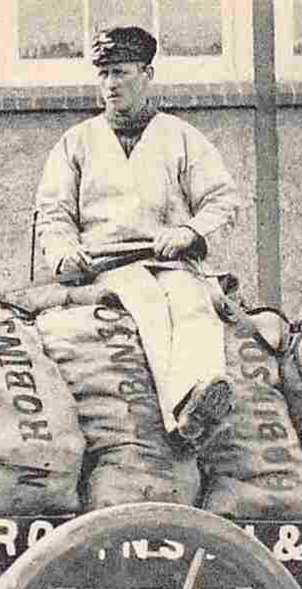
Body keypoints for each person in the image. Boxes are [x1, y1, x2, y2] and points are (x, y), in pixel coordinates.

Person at [34, 25, 242, 450]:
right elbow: (53, 212)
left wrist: (188, 231)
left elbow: (222, 198)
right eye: (104, 74)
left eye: (121, 72)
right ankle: (181, 414)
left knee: (193, 302)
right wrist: (64, 254)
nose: (111, 85)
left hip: (170, 260)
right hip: (108, 267)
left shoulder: (180, 137)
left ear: (147, 74)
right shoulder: (77, 142)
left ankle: (206, 391)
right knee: (147, 303)